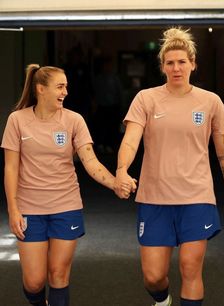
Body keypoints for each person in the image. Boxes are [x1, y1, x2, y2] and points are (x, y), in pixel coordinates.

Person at [114, 27, 224, 306]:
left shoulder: (210, 101)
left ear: (193, 64)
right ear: (162, 66)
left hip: (196, 197)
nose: (176, 68)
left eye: (182, 61)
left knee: (191, 269)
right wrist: (121, 170)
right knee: (153, 276)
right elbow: (131, 140)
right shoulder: (146, 98)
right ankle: (163, 299)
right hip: (155, 197)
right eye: (170, 62)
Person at [1, 64, 133, 306]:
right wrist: (13, 208)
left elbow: (90, 161)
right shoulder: (17, 120)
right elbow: (10, 168)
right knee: (34, 282)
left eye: (66, 87)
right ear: (41, 89)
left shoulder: (74, 120)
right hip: (30, 207)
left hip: (66, 206)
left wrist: (115, 183)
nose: (66, 92)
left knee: (58, 274)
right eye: (60, 87)